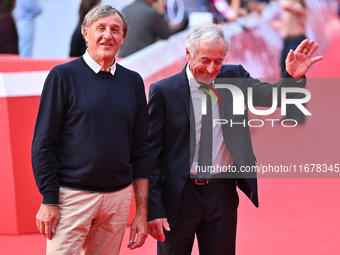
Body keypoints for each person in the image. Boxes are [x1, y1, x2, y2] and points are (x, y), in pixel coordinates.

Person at [147, 23, 322, 254]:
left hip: (221, 192)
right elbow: (151, 155)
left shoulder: (234, 77)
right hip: (179, 197)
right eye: (205, 60)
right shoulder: (164, 91)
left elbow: (273, 97)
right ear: (188, 53)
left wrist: (292, 77)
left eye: (218, 61)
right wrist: (154, 208)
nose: (211, 69)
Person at [32, 5, 149, 254]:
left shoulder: (134, 82)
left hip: (118, 199)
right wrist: (49, 199)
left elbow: (141, 149)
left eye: (115, 30)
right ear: (85, 33)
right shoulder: (62, 76)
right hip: (71, 199)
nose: (108, 35)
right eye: (101, 28)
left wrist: (141, 212)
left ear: (124, 37)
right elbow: (43, 143)